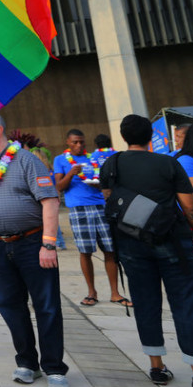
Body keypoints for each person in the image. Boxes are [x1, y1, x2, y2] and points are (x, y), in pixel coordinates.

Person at [0, 113, 70, 387]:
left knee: (47, 306)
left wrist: (48, 243)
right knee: (10, 306)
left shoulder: (26, 161)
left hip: (32, 242)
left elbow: (50, 201)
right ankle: (27, 362)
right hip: (0, 246)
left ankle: (54, 368)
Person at [102, 114, 193, 387]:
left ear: (124, 137)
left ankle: (157, 367)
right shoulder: (169, 162)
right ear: (150, 138)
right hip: (173, 242)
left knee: (145, 303)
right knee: (187, 303)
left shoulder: (113, 163)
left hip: (131, 244)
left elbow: (111, 201)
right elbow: (189, 206)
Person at [51, 129, 130, 308]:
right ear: (68, 143)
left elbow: (105, 181)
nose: (79, 145)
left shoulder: (93, 158)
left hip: (101, 206)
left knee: (110, 250)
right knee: (85, 251)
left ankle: (115, 293)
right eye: (75, 142)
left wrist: (100, 183)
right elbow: (59, 186)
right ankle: (91, 292)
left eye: (82, 142)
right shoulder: (60, 160)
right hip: (78, 209)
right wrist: (71, 173)